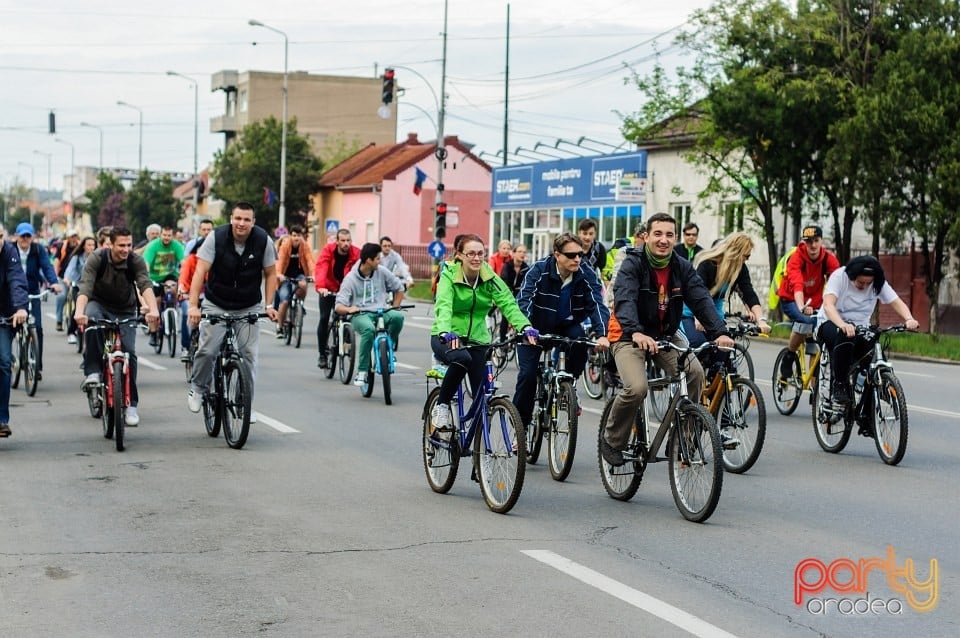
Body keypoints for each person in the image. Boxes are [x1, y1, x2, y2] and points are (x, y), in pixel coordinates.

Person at [599, 213, 735, 467]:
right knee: (637, 388)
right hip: (628, 333)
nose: (663, 240)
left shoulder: (681, 266)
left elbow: (701, 300)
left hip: (664, 334)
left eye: (669, 235)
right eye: (658, 234)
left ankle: (685, 438)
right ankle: (612, 439)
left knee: (695, 373)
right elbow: (625, 298)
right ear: (647, 237)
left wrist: (720, 332)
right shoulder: (633, 263)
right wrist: (636, 331)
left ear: (675, 238)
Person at [430, 234, 538, 433]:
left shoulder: (489, 277)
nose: (476, 258)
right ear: (460, 255)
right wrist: (446, 331)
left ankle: (482, 453)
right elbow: (443, 305)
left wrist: (524, 326)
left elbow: (508, 303)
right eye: (470, 253)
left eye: (480, 253)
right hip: (447, 336)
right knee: (461, 358)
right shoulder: (449, 275)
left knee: (482, 395)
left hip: (477, 339)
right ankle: (442, 406)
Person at [186, 202, 278, 415]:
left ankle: (245, 404)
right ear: (230, 219)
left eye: (247, 219)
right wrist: (193, 306)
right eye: (238, 218)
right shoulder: (216, 238)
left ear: (253, 222)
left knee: (249, 356)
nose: (241, 223)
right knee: (208, 351)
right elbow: (200, 272)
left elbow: (271, 273)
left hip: (248, 304)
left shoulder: (263, 240)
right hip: (216, 302)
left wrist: (270, 304)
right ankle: (198, 388)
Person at [513, 233, 610, 431]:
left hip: (567, 325)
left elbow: (597, 305)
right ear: (557, 255)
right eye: (571, 255)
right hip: (535, 327)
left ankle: (568, 385)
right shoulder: (539, 270)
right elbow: (524, 300)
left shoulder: (585, 272)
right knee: (528, 376)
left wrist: (602, 334)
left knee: (580, 342)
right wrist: (526, 328)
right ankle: (520, 428)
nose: (577, 259)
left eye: (580, 255)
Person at [75, 227, 160, 427]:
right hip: (99, 304)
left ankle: (131, 406)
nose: (125, 249)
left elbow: (145, 285)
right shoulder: (97, 258)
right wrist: (80, 312)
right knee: (92, 321)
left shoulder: (135, 261)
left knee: (129, 352)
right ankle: (93, 371)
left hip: (126, 308)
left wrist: (153, 310)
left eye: (129, 245)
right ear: (110, 244)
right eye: (121, 245)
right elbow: (85, 286)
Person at [816, 256, 919, 404]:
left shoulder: (878, 283)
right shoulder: (840, 276)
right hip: (830, 322)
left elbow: (896, 302)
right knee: (846, 336)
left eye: (868, 283)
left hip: (860, 327)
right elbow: (828, 305)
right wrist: (842, 324)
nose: (864, 286)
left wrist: (909, 318)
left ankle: (871, 407)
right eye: (860, 283)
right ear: (852, 276)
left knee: (875, 350)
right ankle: (840, 385)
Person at [680, 232, 771, 356]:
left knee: (724, 348)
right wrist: (699, 318)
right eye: (746, 255)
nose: (747, 259)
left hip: (714, 311)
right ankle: (692, 374)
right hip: (691, 312)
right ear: (736, 252)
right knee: (699, 344)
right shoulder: (708, 263)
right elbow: (697, 294)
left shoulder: (740, 268)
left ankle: (716, 374)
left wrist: (761, 320)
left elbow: (749, 293)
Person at [334, 242, 406, 386]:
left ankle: (388, 347)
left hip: (381, 310)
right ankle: (362, 372)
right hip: (361, 314)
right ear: (368, 260)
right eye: (378, 258)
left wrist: (394, 307)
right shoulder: (351, 279)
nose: (380, 261)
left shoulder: (382, 271)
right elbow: (338, 306)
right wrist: (349, 310)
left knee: (398, 317)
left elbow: (399, 288)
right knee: (368, 330)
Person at [776, 225, 841, 377]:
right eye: (809, 241)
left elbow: (838, 283)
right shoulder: (797, 258)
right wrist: (802, 306)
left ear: (821, 241)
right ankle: (789, 356)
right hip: (791, 300)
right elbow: (797, 285)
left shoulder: (828, 258)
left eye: (816, 241)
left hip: (816, 302)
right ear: (804, 242)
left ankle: (815, 391)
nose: (812, 245)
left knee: (822, 335)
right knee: (806, 321)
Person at [14, 223, 63, 380]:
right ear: (16, 236)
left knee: (38, 328)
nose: (25, 239)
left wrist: (54, 282)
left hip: (32, 292)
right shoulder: (9, 250)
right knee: (10, 328)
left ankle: (36, 366)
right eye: (22, 236)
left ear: (32, 237)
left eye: (28, 236)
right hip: (12, 294)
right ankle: (10, 359)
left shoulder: (37, 249)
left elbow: (47, 267)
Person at [314, 229, 360, 369]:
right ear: (337, 241)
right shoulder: (329, 250)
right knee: (324, 318)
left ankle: (346, 338)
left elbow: (361, 270)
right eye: (343, 241)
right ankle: (322, 354)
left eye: (348, 241)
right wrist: (321, 287)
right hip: (328, 289)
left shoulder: (356, 253)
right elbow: (322, 267)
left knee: (348, 317)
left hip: (346, 291)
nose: (346, 244)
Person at [0, 238, 29, 437]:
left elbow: (16, 279)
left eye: (0, 237)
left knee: (3, 361)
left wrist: (20, 307)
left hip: (4, 313)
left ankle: (2, 419)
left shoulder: (9, 252)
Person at [274, 224, 314, 337]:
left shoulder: (304, 246)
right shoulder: (285, 246)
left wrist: (314, 275)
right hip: (285, 276)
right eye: (294, 235)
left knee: (304, 285)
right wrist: (279, 274)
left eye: (299, 235)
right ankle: (280, 327)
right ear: (291, 236)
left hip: (299, 275)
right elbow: (280, 261)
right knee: (285, 301)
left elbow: (310, 260)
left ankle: (300, 304)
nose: (297, 238)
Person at [62, 236, 97, 344]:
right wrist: (67, 279)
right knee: (78, 308)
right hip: (78, 286)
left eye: (93, 245)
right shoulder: (77, 257)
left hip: (92, 287)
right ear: (83, 246)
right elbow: (70, 269)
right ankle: (71, 332)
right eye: (89, 245)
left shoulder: (97, 257)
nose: (91, 247)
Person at [177, 236, 205, 359]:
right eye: (201, 249)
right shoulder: (190, 260)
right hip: (188, 293)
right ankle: (185, 346)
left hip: (208, 296)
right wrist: (181, 288)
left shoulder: (214, 261)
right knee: (185, 313)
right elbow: (183, 276)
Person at [54, 229, 80, 331]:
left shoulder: (80, 247)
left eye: (75, 236)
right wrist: (55, 276)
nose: (74, 239)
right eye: (72, 237)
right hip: (62, 277)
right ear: (68, 238)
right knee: (62, 296)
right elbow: (56, 261)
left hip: (76, 278)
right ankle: (59, 320)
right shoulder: (62, 247)